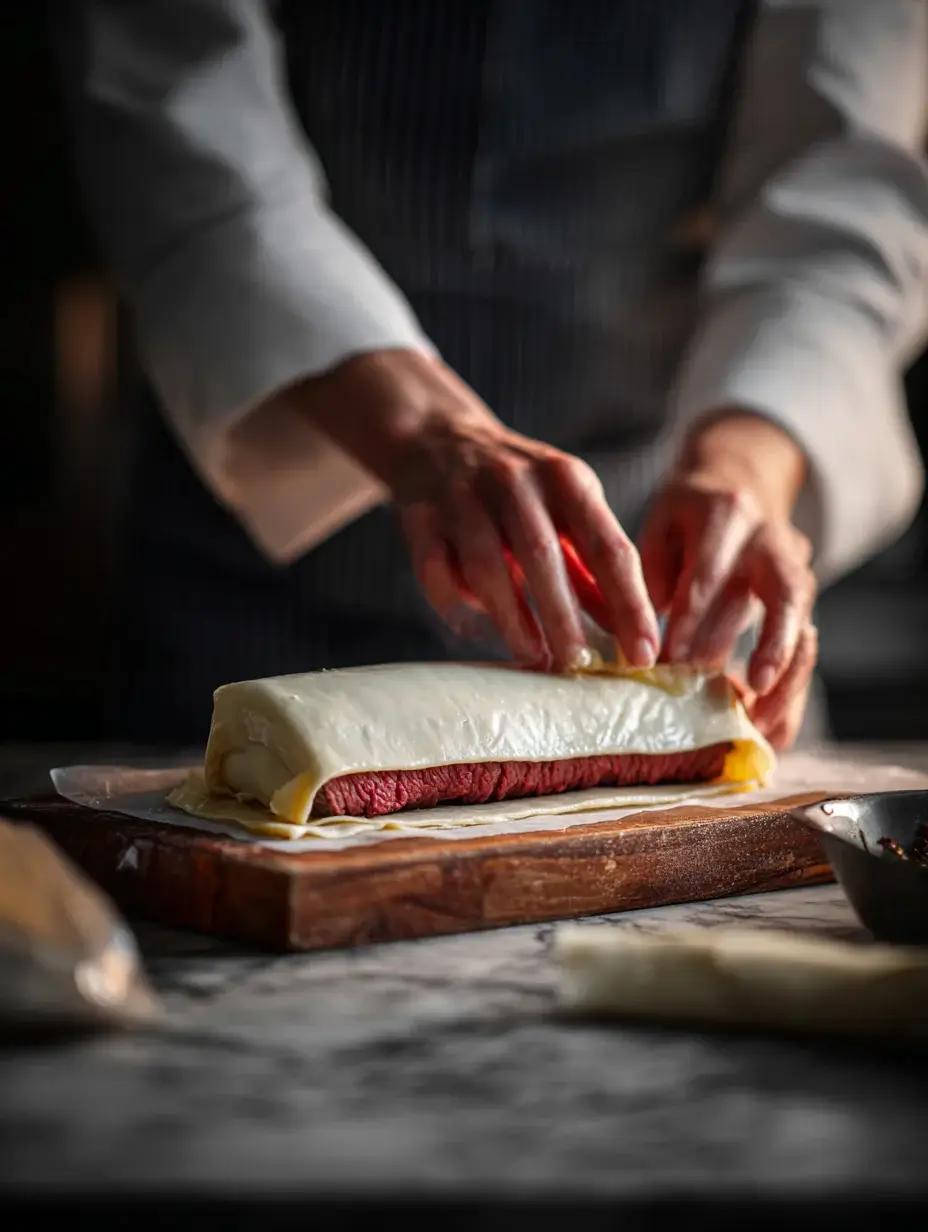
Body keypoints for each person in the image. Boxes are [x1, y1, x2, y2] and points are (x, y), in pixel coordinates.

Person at [51, 0, 928, 749]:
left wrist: (747, 468)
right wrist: (424, 430)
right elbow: (174, 119)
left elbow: (842, 191)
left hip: (667, 620)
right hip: (246, 604)